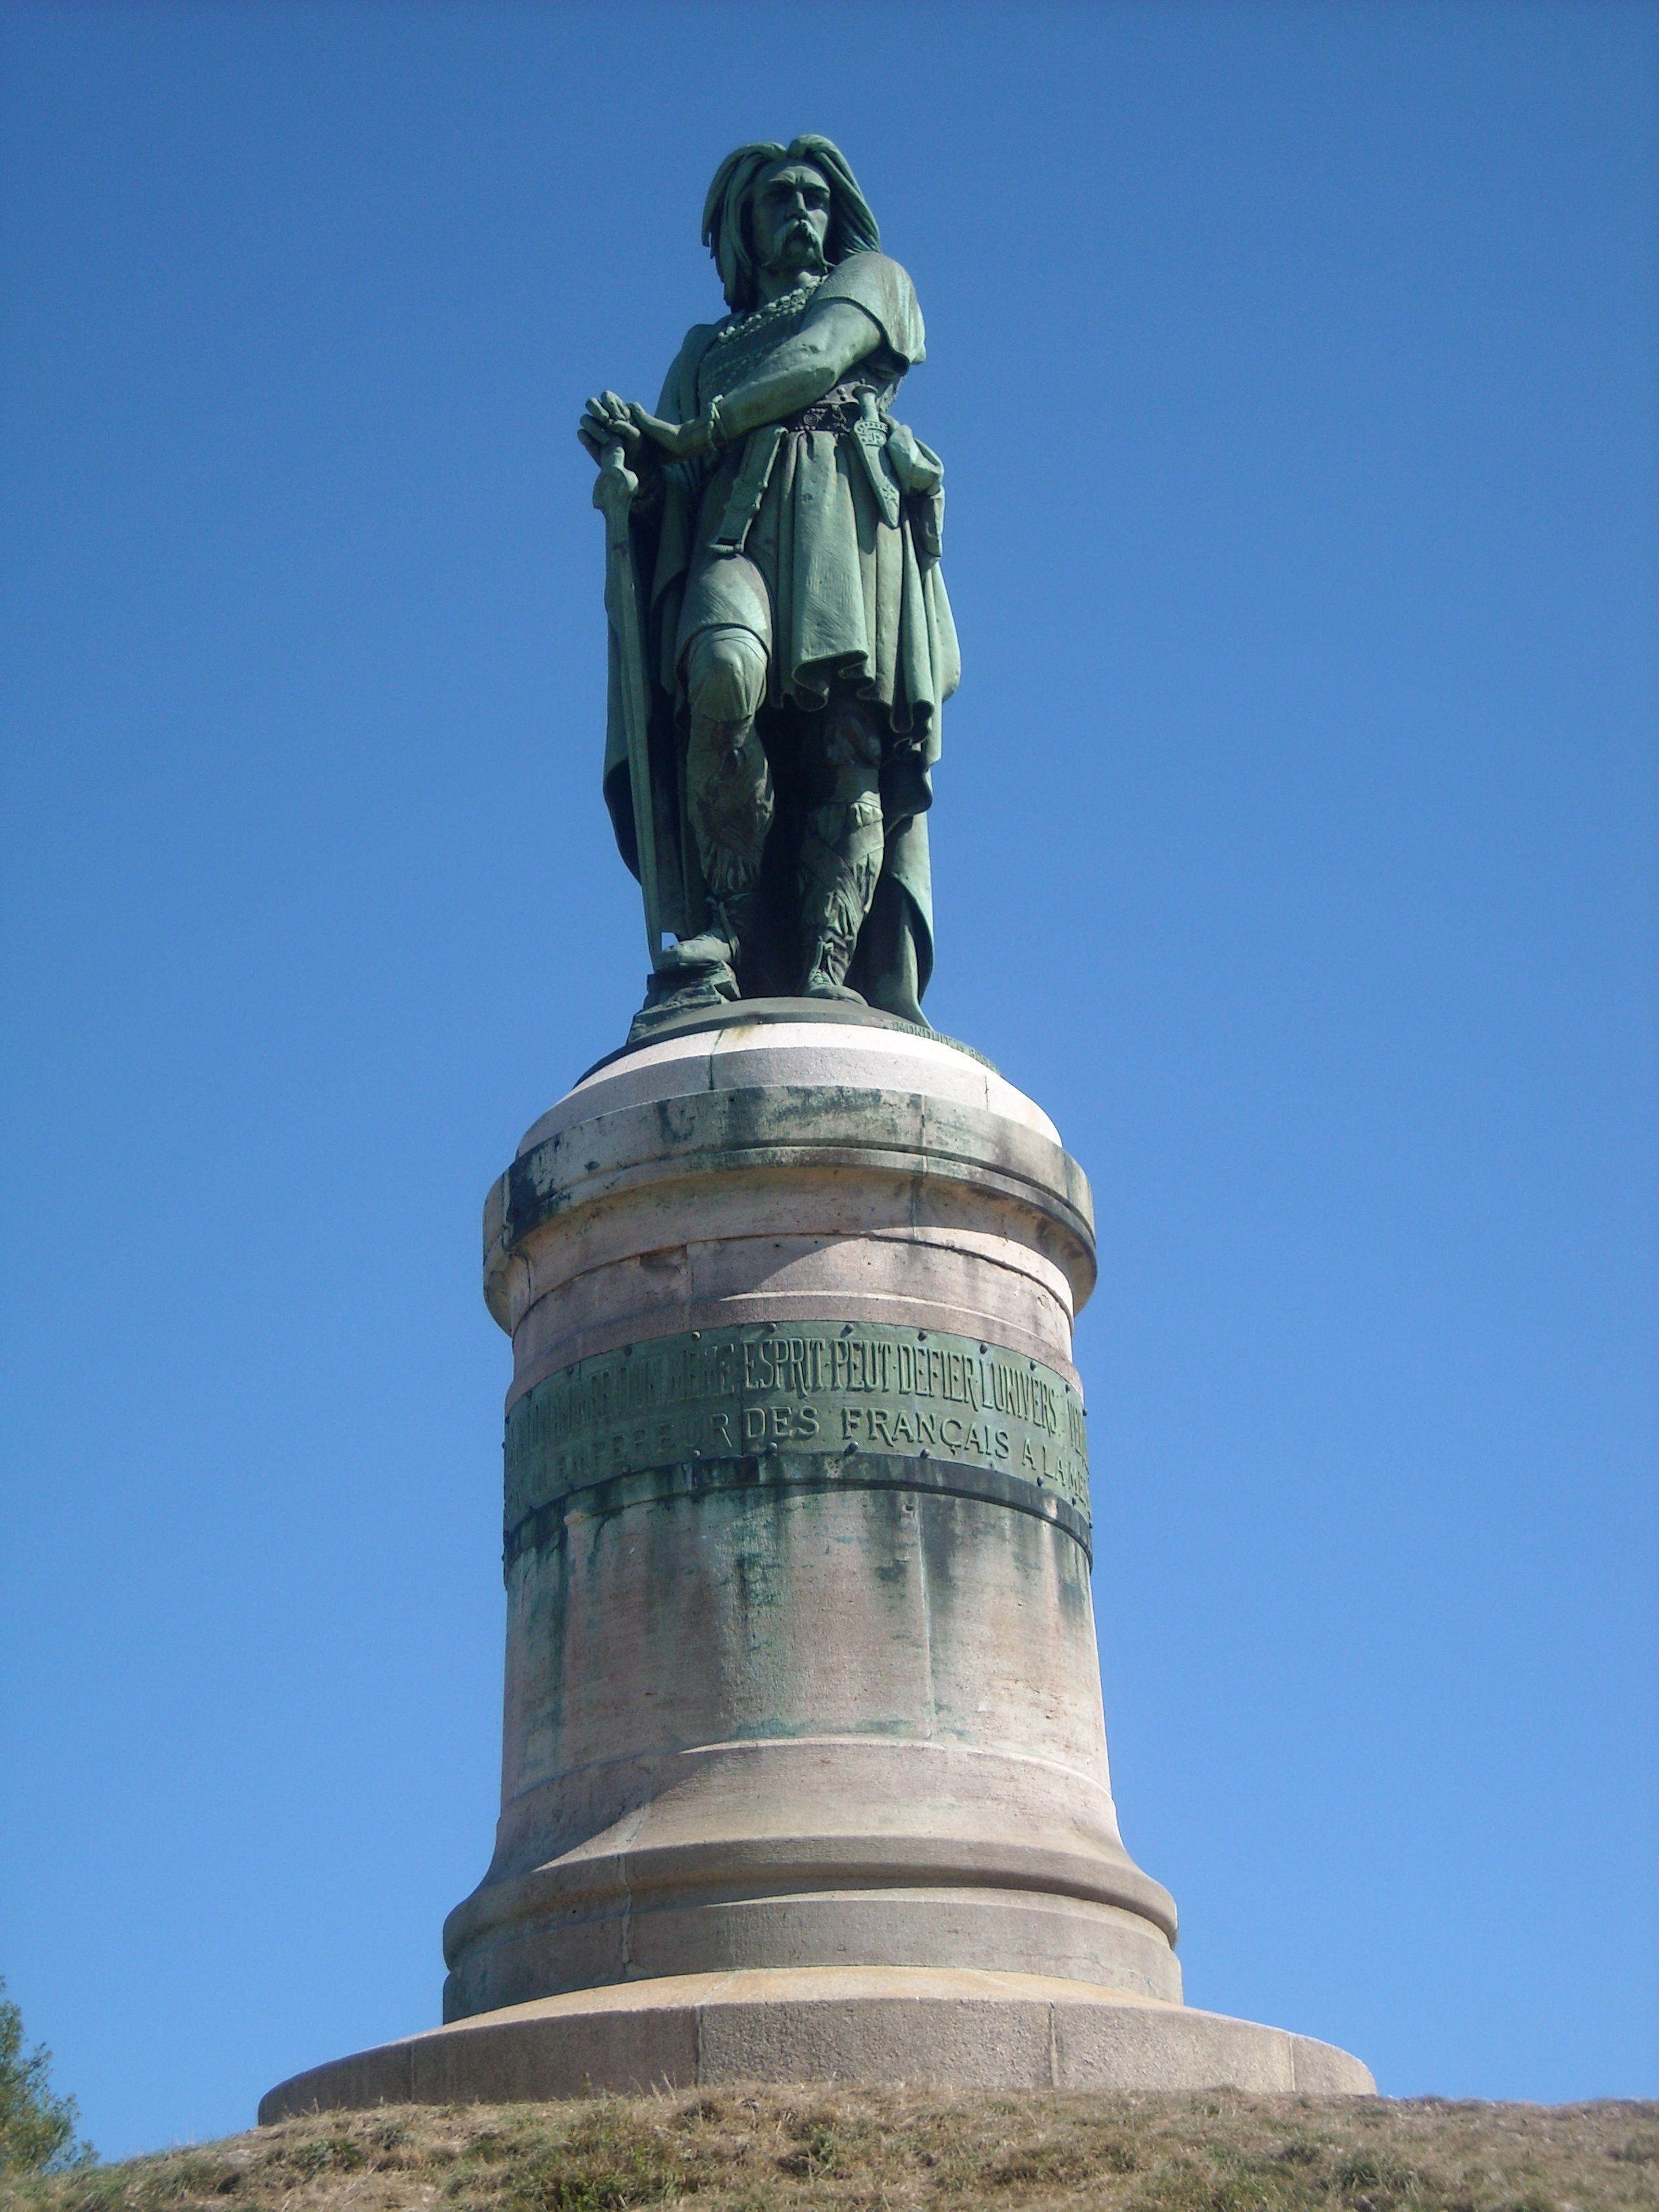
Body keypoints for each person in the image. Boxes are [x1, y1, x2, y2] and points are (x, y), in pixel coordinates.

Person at [579, 135, 959, 1033]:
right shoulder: (704, 347)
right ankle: (734, 934)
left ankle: (832, 964)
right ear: (743, 229)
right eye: (779, 199)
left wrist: (688, 430)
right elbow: (668, 485)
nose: (800, 212)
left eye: (815, 198)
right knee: (719, 675)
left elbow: (821, 359)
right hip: (729, 533)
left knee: (844, 740)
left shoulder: (872, 281)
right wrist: (630, 474)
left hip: (843, 522)